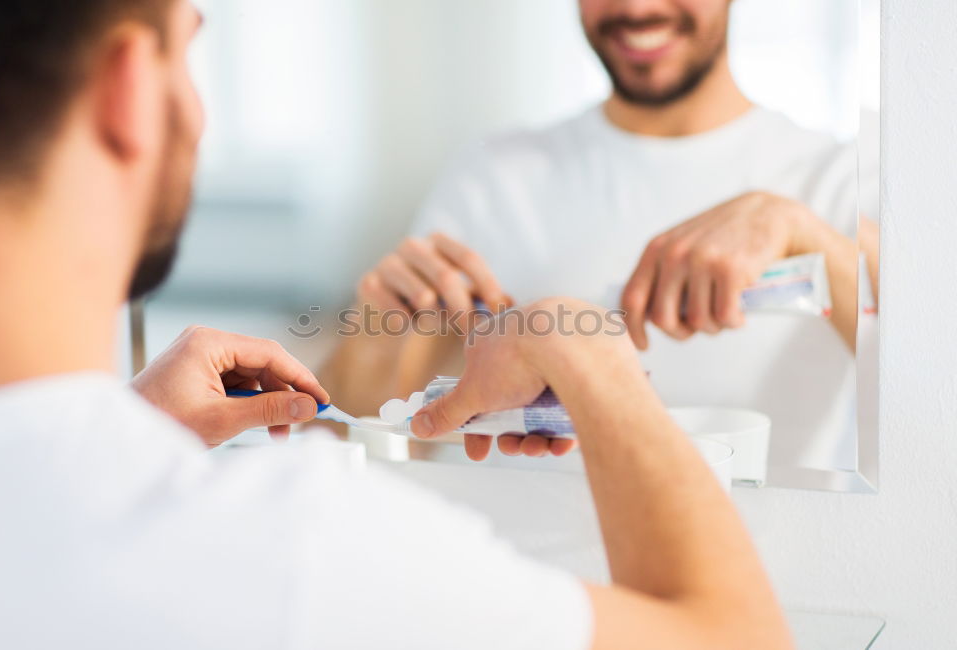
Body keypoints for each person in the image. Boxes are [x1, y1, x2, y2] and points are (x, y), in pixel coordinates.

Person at [0, 0, 795, 648]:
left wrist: (135, 430)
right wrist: (588, 352)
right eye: (191, 44)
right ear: (130, 87)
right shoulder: (295, 550)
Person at [321, 0, 880, 468]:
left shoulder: (838, 181)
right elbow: (351, 441)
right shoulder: (494, 175)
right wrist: (375, 332)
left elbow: (931, 389)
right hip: (508, 581)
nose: (636, 9)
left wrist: (804, 235)